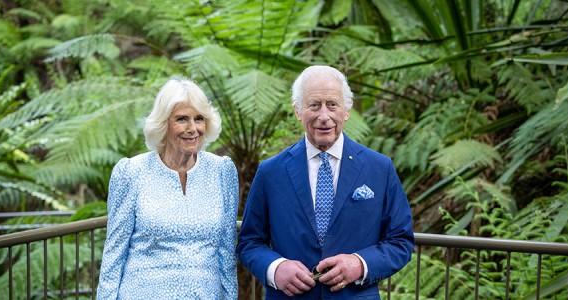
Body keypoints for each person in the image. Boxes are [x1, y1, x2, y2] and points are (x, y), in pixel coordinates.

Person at [236, 65, 414, 299]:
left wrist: (360, 264)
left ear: (347, 110)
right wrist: (276, 268)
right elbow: (249, 242)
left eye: (332, 105)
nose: (324, 116)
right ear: (298, 110)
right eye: (314, 105)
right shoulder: (271, 172)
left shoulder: (379, 168)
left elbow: (401, 241)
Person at [96, 77, 239, 299]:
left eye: (199, 119)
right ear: (163, 124)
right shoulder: (131, 172)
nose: (193, 129)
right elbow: (114, 253)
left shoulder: (221, 171)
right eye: (182, 119)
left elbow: (226, 253)